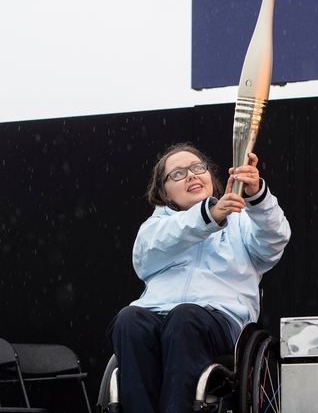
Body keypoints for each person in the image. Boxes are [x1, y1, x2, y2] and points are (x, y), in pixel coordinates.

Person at [107, 142, 291, 413]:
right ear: (163, 192)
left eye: (197, 168)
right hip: (156, 316)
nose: (192, 175)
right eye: (178, 174)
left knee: (184, 319)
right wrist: (208, 216)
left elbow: (275, 240)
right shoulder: (155, 228)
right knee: (128, 319)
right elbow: (147, 254)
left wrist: (257, 196)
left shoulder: (241, 221)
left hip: (217, 320)